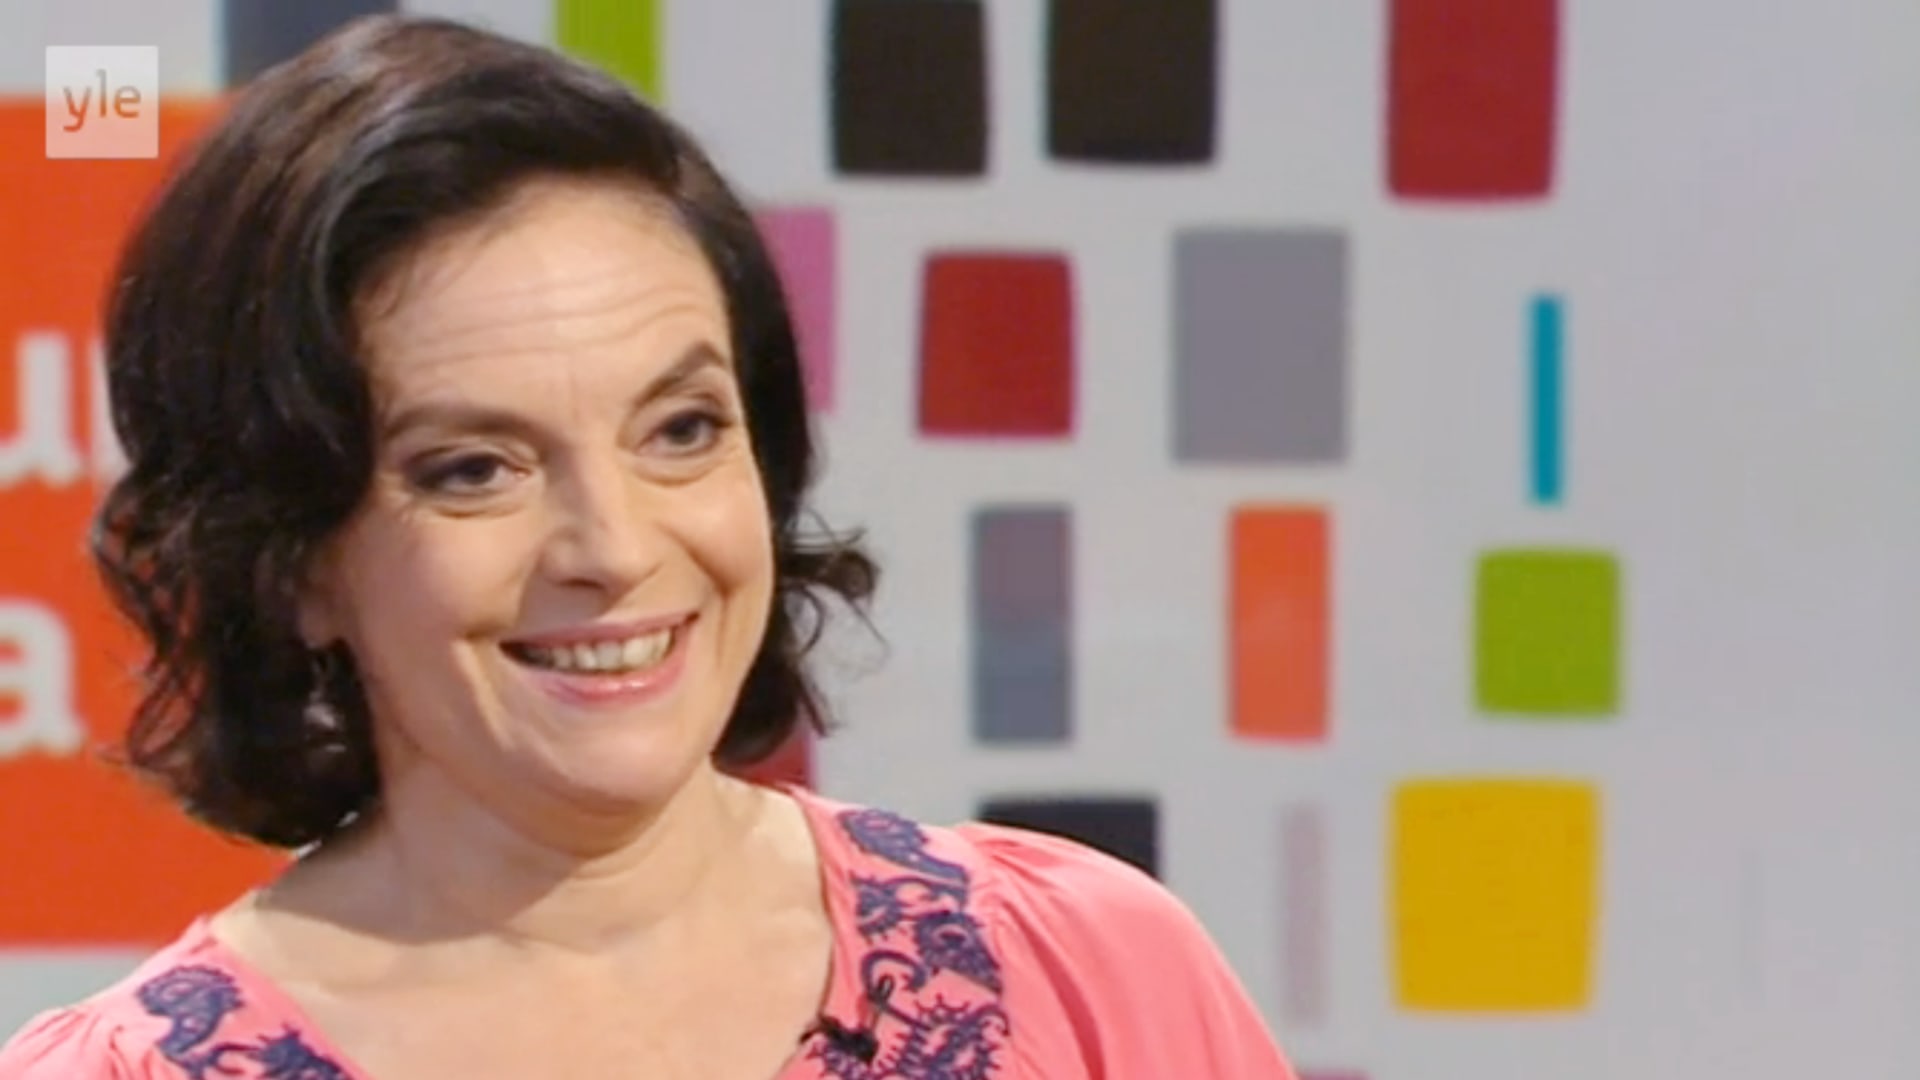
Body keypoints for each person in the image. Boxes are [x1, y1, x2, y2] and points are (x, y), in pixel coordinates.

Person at [0, 14, 1297, 1079]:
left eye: (680, 430)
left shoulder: (1079, 971)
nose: (613, 549)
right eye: (474, 468)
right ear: (292, 560)